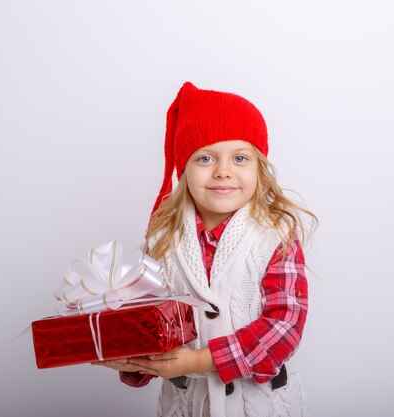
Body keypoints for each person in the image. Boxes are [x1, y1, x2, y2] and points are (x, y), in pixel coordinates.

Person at [92, 81, 318, 417]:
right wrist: (128, 355)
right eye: (205, 158)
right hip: (186, 407)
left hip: (259, 406)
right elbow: (148, 323)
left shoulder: (275, 236)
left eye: (240, 157)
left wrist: (200, 360)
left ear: (259, 168)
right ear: (184, 169)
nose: (223, 170)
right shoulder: (162, 240)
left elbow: (283, 326)